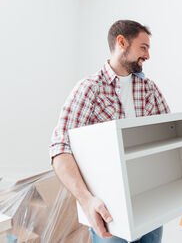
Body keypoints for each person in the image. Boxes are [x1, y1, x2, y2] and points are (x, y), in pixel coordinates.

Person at [49, 20, 170, 243]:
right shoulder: (89, 89)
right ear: (122, 42)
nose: (148, 56)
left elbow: (170, 137)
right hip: (110, 212)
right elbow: (60, 148)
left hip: (150, 203)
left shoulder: (150, 89)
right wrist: (86, 200)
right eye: (143, 48)